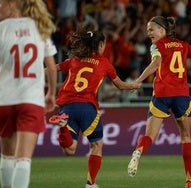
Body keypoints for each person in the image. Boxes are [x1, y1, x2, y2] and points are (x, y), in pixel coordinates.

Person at [127, 16, 191, 188]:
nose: (149, 32)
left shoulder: (157, 46)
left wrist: (138, 81)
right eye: (148, 30)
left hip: (161, 94)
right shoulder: (183, 45)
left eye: (151, 29)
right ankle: (190, 182)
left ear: (162, 30)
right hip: (182, 96)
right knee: (185, 137)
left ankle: (138, 151)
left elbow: (156, 63)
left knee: (149, 136)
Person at [0, 0, 57, 188]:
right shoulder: (40, 27)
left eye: (0, 4)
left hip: (4, 100)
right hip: (31, 101)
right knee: (23, 160)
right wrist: (51, 93)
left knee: (6, 157)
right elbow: (52, 67)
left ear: (12, 5)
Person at [48, 26, 140, 188]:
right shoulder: (104, 63)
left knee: (70, 150)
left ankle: (63, 127)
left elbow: (51, 69)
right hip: (87, 108)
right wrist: (132, 85)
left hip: (67, 107)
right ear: (101, 45)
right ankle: (90, 184)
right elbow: (120, 85)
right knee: (96, 145)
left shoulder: (73, 60)